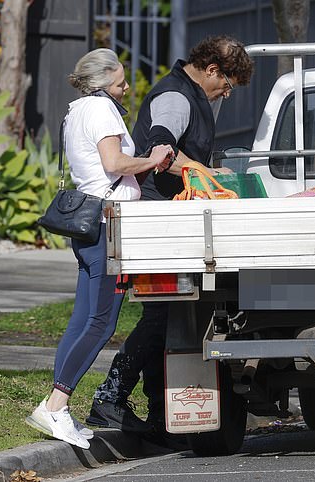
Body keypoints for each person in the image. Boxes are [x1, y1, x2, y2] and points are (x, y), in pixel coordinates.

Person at [87, 35, 254, 441]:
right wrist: (204, 172)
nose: (227, 93)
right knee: (163, 315)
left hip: (173, 218)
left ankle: (160, 413)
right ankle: (110, 396)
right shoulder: (176, 98)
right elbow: (160, 149)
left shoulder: (194, 95)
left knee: (170, 317)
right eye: (228, 84)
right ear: (213, 69)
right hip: (160, 219)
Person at [25, 48, 173, 449]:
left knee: (81, 319)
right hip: (109, 222)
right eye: (121, 81)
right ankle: (56, 405)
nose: (126, 87)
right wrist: (152, 157)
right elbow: (115, 163)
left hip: (89, 224)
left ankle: (57, 409)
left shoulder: (75, 111)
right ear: (103, 82)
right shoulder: (104, 111)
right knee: (101, 323)